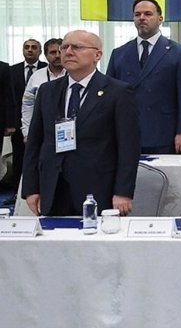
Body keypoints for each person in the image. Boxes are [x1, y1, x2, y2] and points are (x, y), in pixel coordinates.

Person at [23, 30, 139, 217]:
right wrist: (31, 188)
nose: (68, 52)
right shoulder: (47, 91)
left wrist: (123, 192)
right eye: (64, 47)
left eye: (77, 47)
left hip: (97, 188)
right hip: (53, 186)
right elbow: (35, 143)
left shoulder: (118, 92)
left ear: (97, 55)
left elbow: (128, 148)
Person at [106, 0, 181, 155]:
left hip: (164, 132)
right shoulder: (119, 53)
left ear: (160, 19)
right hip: (127, 131)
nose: (142, 18)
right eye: (137, 14)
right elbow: (109, 96)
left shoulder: (178, 52)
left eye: (148, 14)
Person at [3, 38, 46, 191]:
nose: (30, 50)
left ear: (40, 51)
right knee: (19, 156)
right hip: (17, 121)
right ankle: (17, 190)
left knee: (40, 155)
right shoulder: (12, 70)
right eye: (26, 47)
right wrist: (11, 123)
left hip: (42, 120)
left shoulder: (46, 69)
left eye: (34, 47)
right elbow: (8, 97)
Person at [20, 39, 64, 136]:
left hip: (69, 129)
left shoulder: (74, 74)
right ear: (45, 55)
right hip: (42, 129)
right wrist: (27, 132)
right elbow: (27, 105)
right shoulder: (36, 76)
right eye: (53, 52)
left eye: (60, 52)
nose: (57, 55)